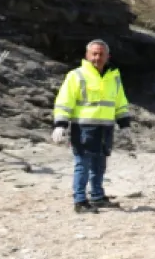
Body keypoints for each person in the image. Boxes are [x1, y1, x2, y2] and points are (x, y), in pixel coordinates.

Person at [51, 40, 131, 213]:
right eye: (94, 54)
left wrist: (124, 123)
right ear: (87, 55)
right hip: (83, 128)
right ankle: (80, 201)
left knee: (100, 165)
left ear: (107, 56)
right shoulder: (76, 75)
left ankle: (97, 196)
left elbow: (120, 101)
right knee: (83, 164)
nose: (97, 57)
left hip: (105, 129)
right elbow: (65, 101)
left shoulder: (113, 76)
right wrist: (60, 124)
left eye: (101, 54)